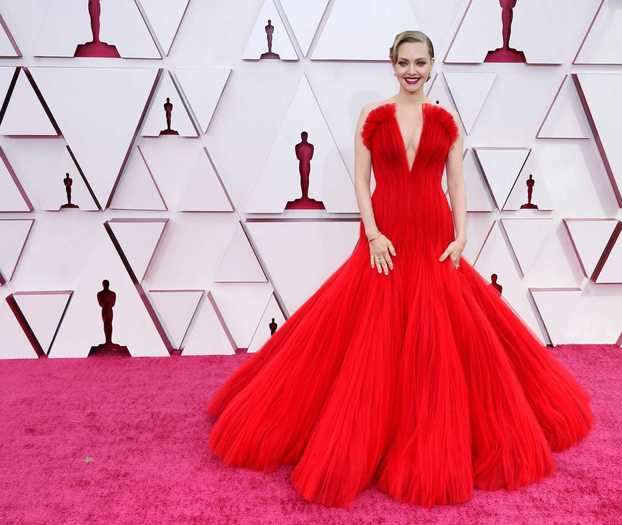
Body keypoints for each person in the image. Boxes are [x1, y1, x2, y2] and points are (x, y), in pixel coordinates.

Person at [207, 30, 594, 508]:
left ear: (432, 65)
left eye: (421, 62)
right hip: (385, 237)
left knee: (442, 341)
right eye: (405, 62)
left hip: (433, 237)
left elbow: (455, 183)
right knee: (373, 336)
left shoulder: (446, 122)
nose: (413, 70)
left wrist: (462, 234)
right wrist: (371, 233)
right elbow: (360, 179)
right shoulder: (373, 118)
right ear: (392, 64)